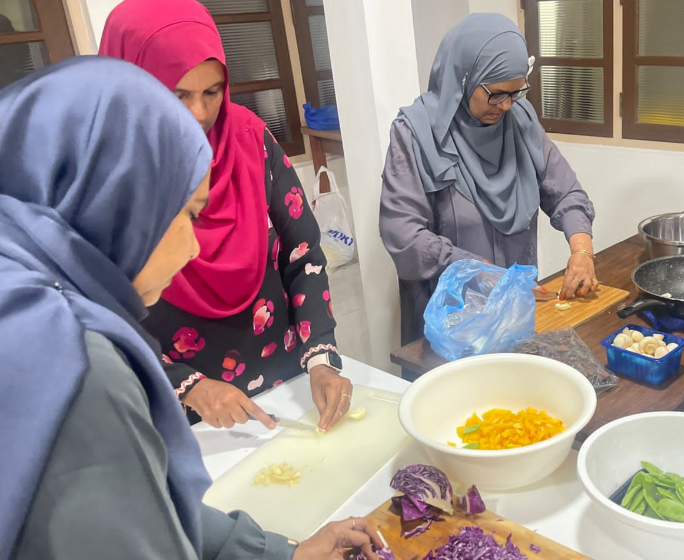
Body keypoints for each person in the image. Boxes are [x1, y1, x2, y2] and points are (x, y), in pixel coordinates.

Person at [1, 57, 383, 560]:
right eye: (188, 215)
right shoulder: (75, 364)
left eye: (213, 92)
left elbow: (144, 503)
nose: (195, 249)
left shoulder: (31, 294)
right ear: (121, 202)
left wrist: (283, 554)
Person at [99, 0, 351, 431]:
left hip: (284, 385)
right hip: (179, 407)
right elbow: (98, 312)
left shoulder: (250, 140)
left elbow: (304, 254)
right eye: (178, 94)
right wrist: (187, 386)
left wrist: (320, 358)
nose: (199, 114)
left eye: (212, 92)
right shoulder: (105, 175)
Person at [380, 14, 598, 348]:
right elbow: (403, 234)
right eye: (496, 94)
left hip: (515, 316)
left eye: (517, 92)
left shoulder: (520, 124)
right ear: (464, 78)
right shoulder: (415, 134)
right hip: (449, 325)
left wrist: (582, 251)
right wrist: (479, 272)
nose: (507, 105)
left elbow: (567, 193)